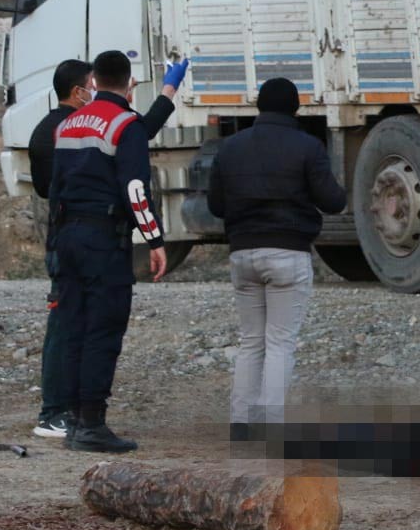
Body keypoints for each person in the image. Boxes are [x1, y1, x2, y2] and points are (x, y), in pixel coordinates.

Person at [28, 55, 187, 439]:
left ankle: (69, 416)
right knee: (103, 329)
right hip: (103, 240)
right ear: (128, 81)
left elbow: (55, 189)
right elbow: (135, 189)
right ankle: (90, 422)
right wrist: (154, 240)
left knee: (73, 326)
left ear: (95, 81)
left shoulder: (67, 125)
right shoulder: (123, 123)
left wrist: (56, 240)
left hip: (67, 237)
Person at [206, 76, 348, 434]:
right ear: (295, 108)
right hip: (288, 253)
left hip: (242, 254)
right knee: (280, 342)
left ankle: (241, 422)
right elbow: (332, 201)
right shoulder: (307, 147)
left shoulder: (230, 148)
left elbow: (216, 205)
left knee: (251, 341)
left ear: (259, 107)